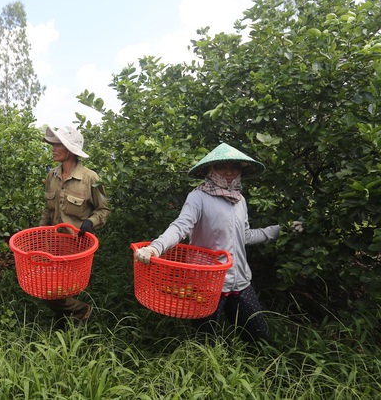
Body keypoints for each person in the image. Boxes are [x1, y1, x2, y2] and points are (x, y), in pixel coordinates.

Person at [134, 143, 288, 344]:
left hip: (240, 280)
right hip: (207, 283)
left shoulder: (239, 200)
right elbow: (180, 227)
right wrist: (155, 247)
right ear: (210, 170)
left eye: (234, 167)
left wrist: (282, 229)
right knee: (205, 341)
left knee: (259, 338)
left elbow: (246, 235)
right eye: (222, 167)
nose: (230, 172)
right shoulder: (198, 197)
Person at [39, 126, 110, 328]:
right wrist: (39, 236)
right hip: (53, 245)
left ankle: (78, 314)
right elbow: (47, 210)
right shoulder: (52, 176)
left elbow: (103, 209)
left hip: (77, 248)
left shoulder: (91, 179)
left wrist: (90, 222)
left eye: (58, 144)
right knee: (49, 289)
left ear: (69, 149)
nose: (53, 148)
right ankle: (73, 316)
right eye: (53, 144)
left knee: (63, 291)